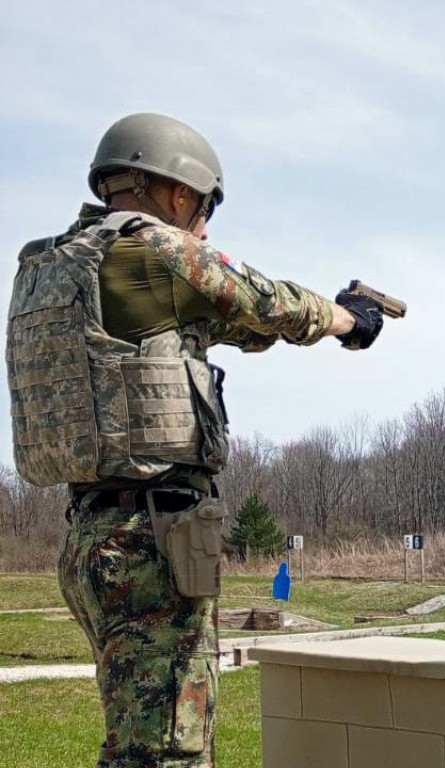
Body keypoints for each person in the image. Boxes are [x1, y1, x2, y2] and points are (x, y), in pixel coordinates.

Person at [5, 113, 385, 767]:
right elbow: (263, 301)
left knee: (140, 740)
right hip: (152, 541)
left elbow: (234, 325)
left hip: (94, 536)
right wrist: (348, 319)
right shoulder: (150, 248)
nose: (206, 229)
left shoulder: (58, 267)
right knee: (165, 755)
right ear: (178, 193)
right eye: (205, 209)